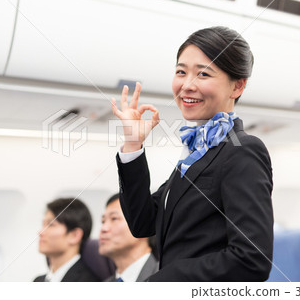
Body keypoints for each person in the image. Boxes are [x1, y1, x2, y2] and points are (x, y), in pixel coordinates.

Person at [111, 26, 274, 281]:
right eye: (181, 72)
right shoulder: (195, 152)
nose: (187, 85)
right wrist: (133, 144)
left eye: (203, 74)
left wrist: (163, 279)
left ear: (237, 86)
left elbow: (252, 259)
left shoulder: (242, 150)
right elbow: (142, 222)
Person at [34, 198, 100, 282]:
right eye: (43, 225)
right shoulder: (38, 280)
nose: (40, 232)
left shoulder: (89, 281)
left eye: (51, 225)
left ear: (75, 235)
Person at [99, 194, 159, 282]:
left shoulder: (166, 277)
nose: (103, 228)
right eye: (103, 221)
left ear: (142, 224)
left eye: (114, 218)